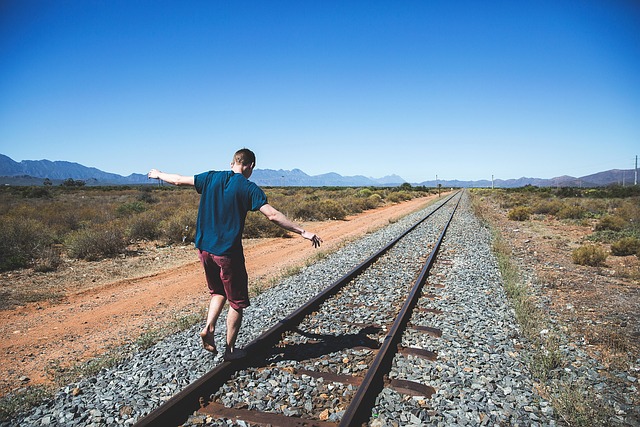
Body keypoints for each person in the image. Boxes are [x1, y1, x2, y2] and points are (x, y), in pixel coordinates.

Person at [148, 148, 322, 361]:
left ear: (232, 163)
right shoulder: (249, 188)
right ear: (250, 166)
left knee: (217, 292)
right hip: (228, 253)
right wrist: (303, 231)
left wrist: (158, 174)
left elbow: (176, 180)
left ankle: (209, 328)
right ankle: (230, 351)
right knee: (237, 302)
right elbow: (273, 215)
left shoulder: (211, 177)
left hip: (204, 249)